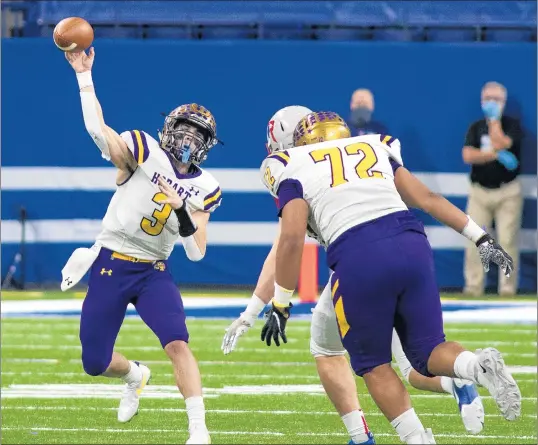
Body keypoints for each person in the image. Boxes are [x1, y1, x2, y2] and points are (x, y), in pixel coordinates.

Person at [222, 106, 485, 442]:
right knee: (415, 364)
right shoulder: (360, 148)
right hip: (404, 247)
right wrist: (481, 237)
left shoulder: (294, 166)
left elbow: (285, 246)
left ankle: (367, 437)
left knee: (332, 349)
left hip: (360, 263)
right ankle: (457, 377)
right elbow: (424, 198)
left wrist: (269, 307)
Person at [60, 47, 221, 445]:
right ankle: (135, 374)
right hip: (111, 260)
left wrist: (182, 209)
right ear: (168, 128)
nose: (187, 138)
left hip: (154, 270)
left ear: (207, 144)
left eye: (197, 134)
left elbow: (197, 252)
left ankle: (199, 430)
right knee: (94, 363)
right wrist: (84, 77)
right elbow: (100, 132)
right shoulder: (143, 149)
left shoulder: (207, 187)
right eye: (182, 128)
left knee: (178, 343)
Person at [462, 81, 523, 296]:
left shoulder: (512, 125)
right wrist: (495, 156)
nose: (491, 103)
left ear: (504, 102)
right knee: (475, 240)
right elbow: (468, 155)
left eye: (496, 99)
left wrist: (495, 121)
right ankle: (473, 287)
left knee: (507, 241)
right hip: (479, 191)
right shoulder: (475, 127)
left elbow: (501, 142)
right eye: (487, 99)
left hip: (508, 192)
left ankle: (507, 290)